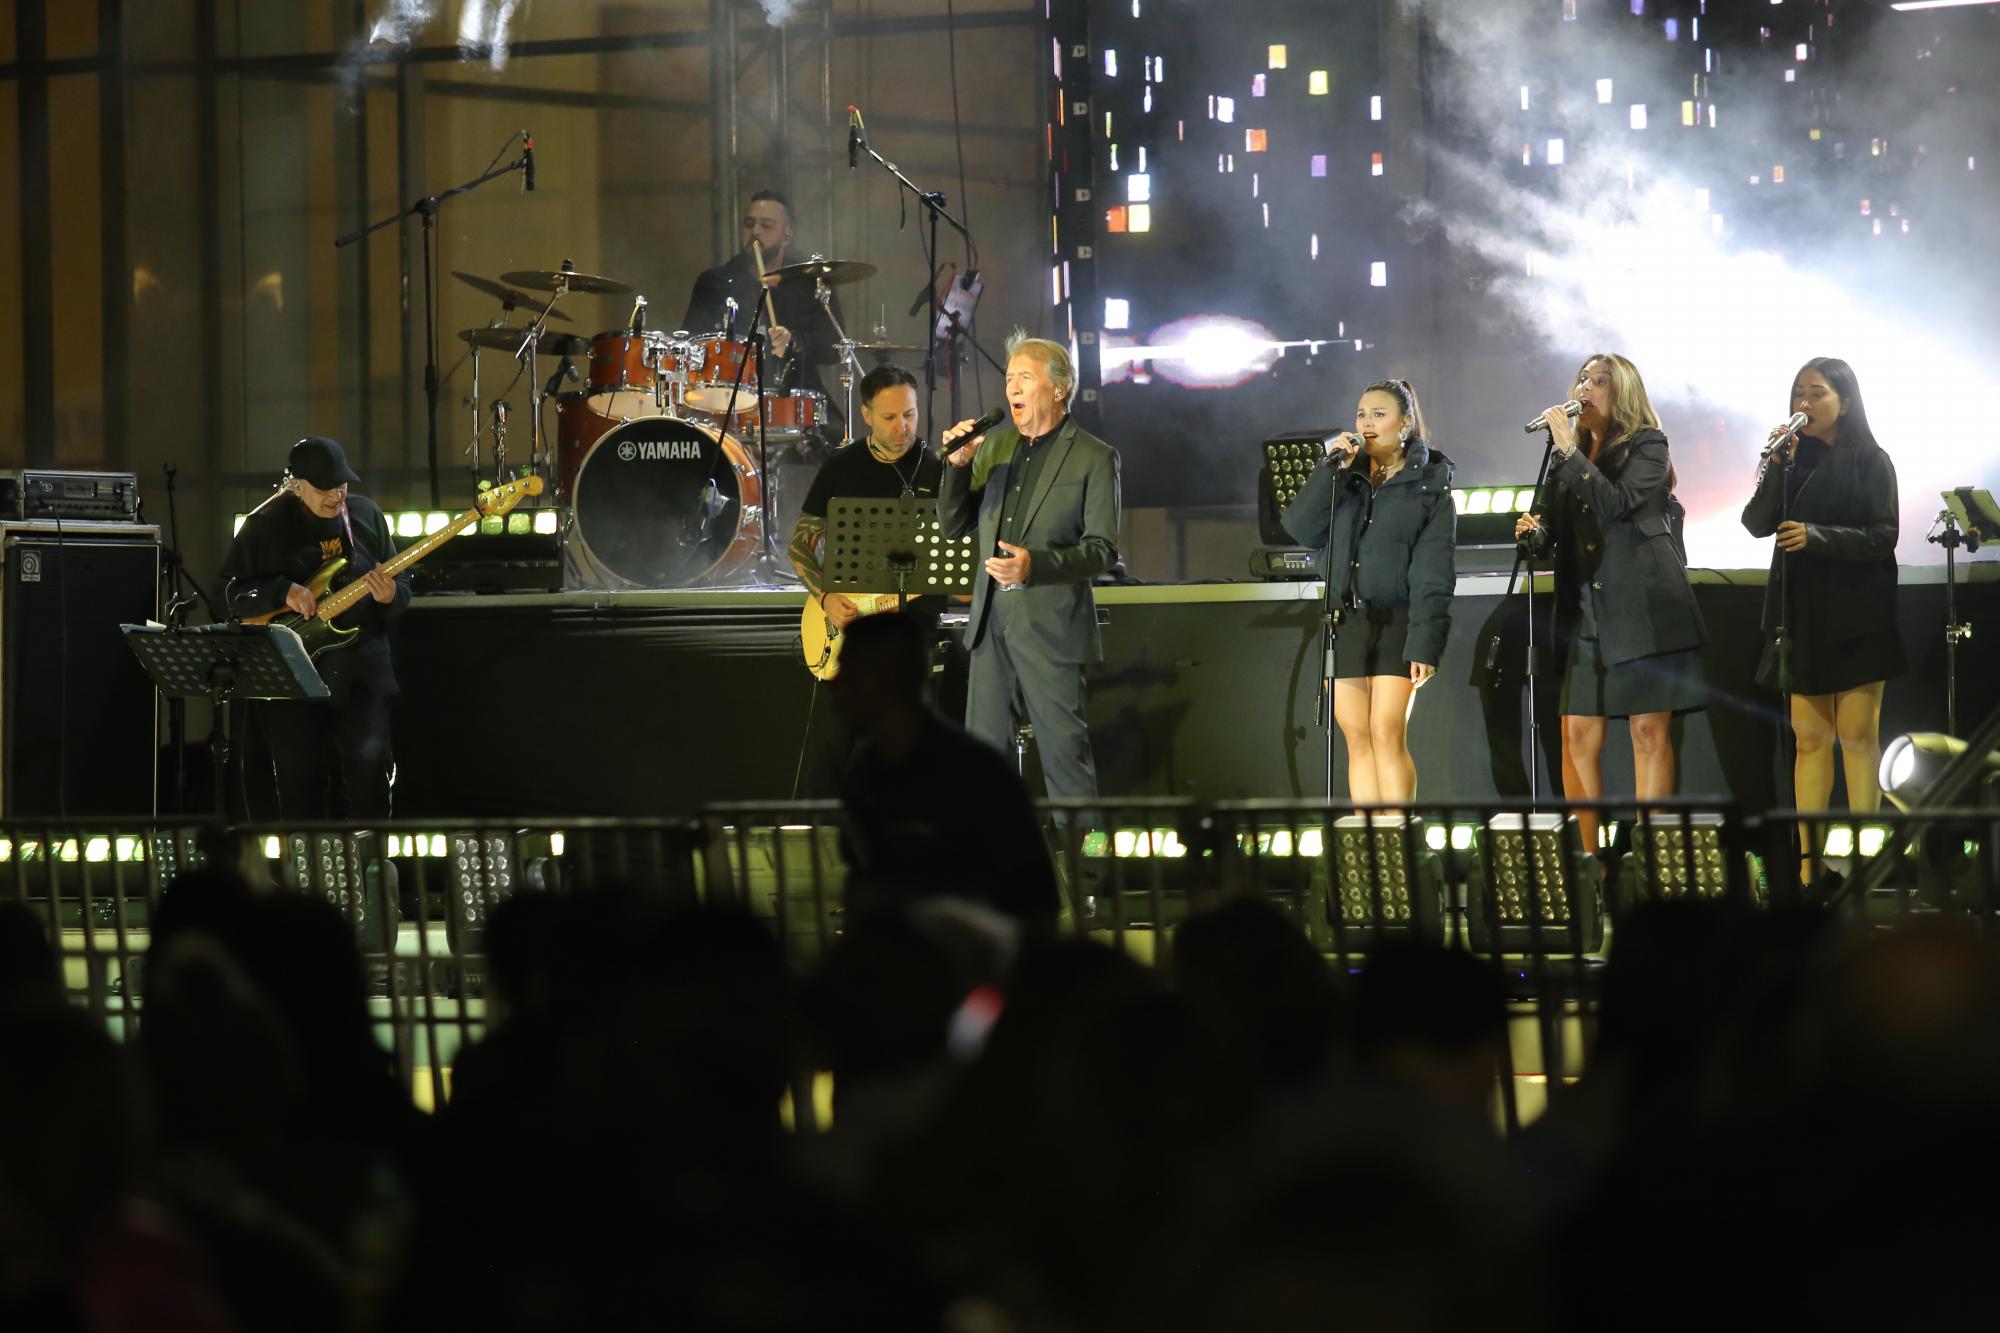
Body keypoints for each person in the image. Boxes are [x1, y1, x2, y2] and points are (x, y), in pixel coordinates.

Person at [1516, 354, 1706, 853]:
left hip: (1643, 607)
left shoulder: (1648, 445)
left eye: (1600, 381)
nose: (1585, 388)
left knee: (1648, 733)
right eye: (1582, 378)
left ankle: (1653, 862)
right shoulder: (1567, 456)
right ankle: (1590, 866)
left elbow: (1618, 504)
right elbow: (1553, 528)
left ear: (1622, 394)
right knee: (1576, 739)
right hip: (1585, 611)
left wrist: (1570, 455)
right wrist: (1535, 535)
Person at [937, 333, 1121, 803]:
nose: (1011, 389)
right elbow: (953, 523)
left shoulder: (1094, 456)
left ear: (1059, 389)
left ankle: (1089, 873)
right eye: (1008, 379)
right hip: (990, 627)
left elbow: (1101, 550)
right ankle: (993, 870)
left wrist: (1033, 566)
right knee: (983, 762)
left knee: (1066, 761)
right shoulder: (994, 448)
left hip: (1051, 627)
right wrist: (957, 465)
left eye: (1024, 378)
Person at [1740, 357, 1903, 872]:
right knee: (1809, 740)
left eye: (1816, 393)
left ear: (1846, 402)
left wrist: (1817, 537)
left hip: (1858, 611)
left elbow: (1884, 536)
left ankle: (1862, 861)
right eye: (1797, 394)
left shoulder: (1871, 460)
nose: (1803, 404)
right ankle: (1809, 866)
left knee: (1857, 737)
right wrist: (1776, 465)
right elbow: (1755, 522)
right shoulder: (1791, 460)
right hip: (1800, 612)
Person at [1281, 378, 1456, 804]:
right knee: (1356, 736)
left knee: (1385, 730)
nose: (1367, 423)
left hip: (1398, 619)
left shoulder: (1429, 486)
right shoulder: (1346, 479)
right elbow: (1300, 529)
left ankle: (1398, 839)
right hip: (1347, 619)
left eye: (1379, 414)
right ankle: (1370, 844)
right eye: (1362, 414)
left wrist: (1425, 643)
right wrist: (1329, 470)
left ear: (1406, 423)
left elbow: (1434, 574)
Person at [219, 436, 409, 820]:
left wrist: (391, 596)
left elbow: (404, 586)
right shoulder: (265, 526)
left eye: (342, 485)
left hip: (362, 672)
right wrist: (281, 591)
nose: (337, 496)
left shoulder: (366, 515)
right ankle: (308, 876)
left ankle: (371, 869)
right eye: (325, 488)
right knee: (298, 782)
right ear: (296, 485)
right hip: (295, 678)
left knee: (369, 771)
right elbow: (228, 593)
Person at [833, 612, 1060, 928]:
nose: (838, 687)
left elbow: (1035, 900)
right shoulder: (865, 771)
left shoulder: (976, 774)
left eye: (849, 674)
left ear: (885, 679)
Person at [788, 364, 954, 795]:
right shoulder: (841, 467)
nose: (903, 427)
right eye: (890, 418)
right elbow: (800, 544)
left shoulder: (938, 470)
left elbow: (959, 558)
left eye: (911, 415)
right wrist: (825, 597)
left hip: (913, 628)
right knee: (833, 749)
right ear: (865, 415)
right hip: (851, 626)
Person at [679, 189, 841, 406]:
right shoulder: (714, 282)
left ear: (787, 236)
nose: (755, 231)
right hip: (727, 398)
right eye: (749, 224)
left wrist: (795, 342)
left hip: (795, 398)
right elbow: (690, 344)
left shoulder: (809, 282)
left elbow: (834, 347)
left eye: (766, 225)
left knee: (838, 435)